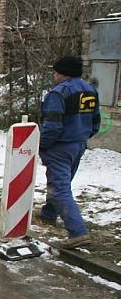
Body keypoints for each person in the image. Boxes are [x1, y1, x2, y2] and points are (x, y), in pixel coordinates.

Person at [36, 54, 101, 249]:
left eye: (55, 72)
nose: (54, 76)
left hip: (60, 146)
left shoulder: (59, 93)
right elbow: (96, 121)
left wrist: (43, 145)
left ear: (62, 73)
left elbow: (52, 126)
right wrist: (81, 137)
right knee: (62, 182)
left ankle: (78, 232)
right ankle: (49, 213)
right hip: (78, 144)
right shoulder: (90, 90)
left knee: (60, 188)